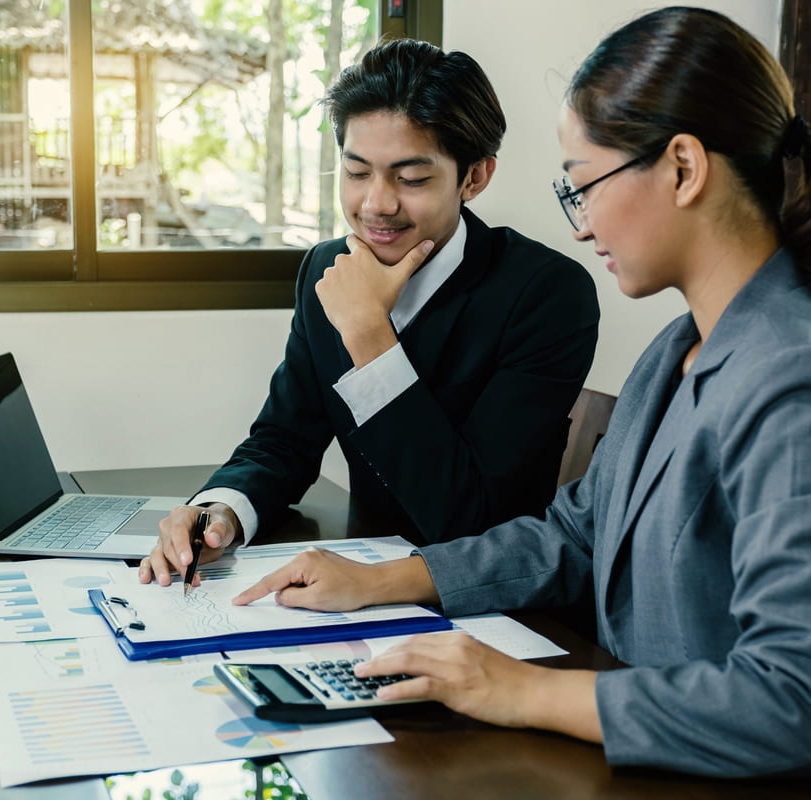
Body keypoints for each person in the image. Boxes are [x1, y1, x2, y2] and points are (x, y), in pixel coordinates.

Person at [232, 8, 811, 796]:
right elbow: (574, 536)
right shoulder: (679, 348)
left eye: (585, 184)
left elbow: (799, 698)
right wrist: (387, 579)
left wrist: (520, 688)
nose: (581, 221)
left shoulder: (804, 382)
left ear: (683, 168)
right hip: (672, 762)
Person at [139, 39, 599, 586]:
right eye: (357, 173)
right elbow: (284, 439)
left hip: (484, 606)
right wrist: (222, 517)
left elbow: (475, 521)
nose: (376, 204)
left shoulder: (546, 293)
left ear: (474, 177)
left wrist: (367, 334)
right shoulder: (327, 268)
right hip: (354, 579)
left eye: (411, 179)